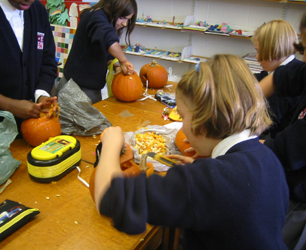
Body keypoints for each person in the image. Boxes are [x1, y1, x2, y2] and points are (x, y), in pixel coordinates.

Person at [94, 54, 289, 250]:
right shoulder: (268, 157)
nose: (182, 128)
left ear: (201, 121)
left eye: (182, 115)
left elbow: (110, 197)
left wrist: (111, 143)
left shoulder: (207, 182)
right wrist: (206, 167)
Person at [259, 11, 306, 250]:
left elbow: (289, 147)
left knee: (275, 239)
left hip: (300, 194)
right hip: (287, 174)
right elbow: (284, 77)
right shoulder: (303, 70)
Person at [0, 0, 58, 131]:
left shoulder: (38, 11)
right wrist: (10, 106)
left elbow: (47, 61)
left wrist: (41, 95)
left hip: (28, 128)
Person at [60, 0, 137, 104]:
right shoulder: (96, 17)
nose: (125, 23)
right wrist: (124, 61)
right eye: (122, 18)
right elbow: (108, 39)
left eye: (128, 19)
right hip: (76, 90)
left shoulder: (102, 18)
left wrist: (116, 66)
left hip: (88, 88)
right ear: (110, 6)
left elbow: (104, 50)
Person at [252, 19, 301, 139]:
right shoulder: (287, 69)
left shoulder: (287, 82)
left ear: (274, 49)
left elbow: (263, 122)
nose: (257, 57)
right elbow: (260, 77)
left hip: (279, 147)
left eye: (259, 51)